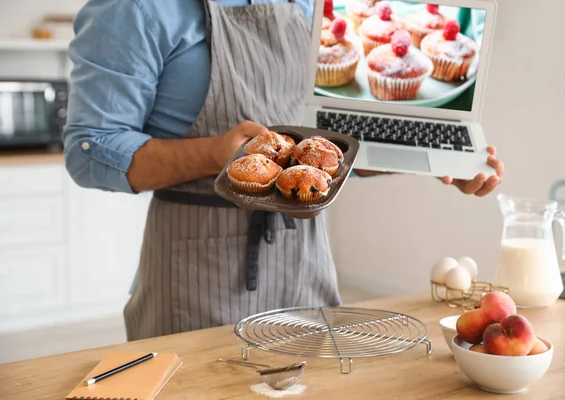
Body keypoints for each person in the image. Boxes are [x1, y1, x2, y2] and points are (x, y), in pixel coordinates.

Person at [63, 0, 504, 341]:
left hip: (305, 265)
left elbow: (326, 150)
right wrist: (215, 154)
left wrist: (432, 160)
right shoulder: (135, 10)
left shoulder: (309, 6)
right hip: (197, 270)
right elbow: (91, 151)